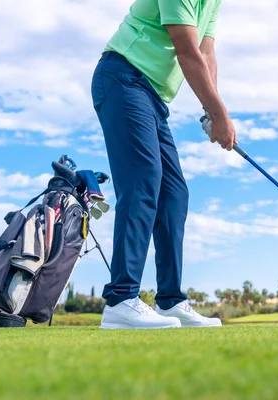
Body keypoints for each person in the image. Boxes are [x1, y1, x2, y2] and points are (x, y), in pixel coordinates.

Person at [91, 0, 236, 329]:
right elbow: (186, 53)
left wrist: (210, 109)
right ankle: (121, 298)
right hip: (122, 78)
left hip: (152, 95)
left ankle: (170, 300)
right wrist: (219, 116)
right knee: (143, 181)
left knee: (173, 193)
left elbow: (205, 52)